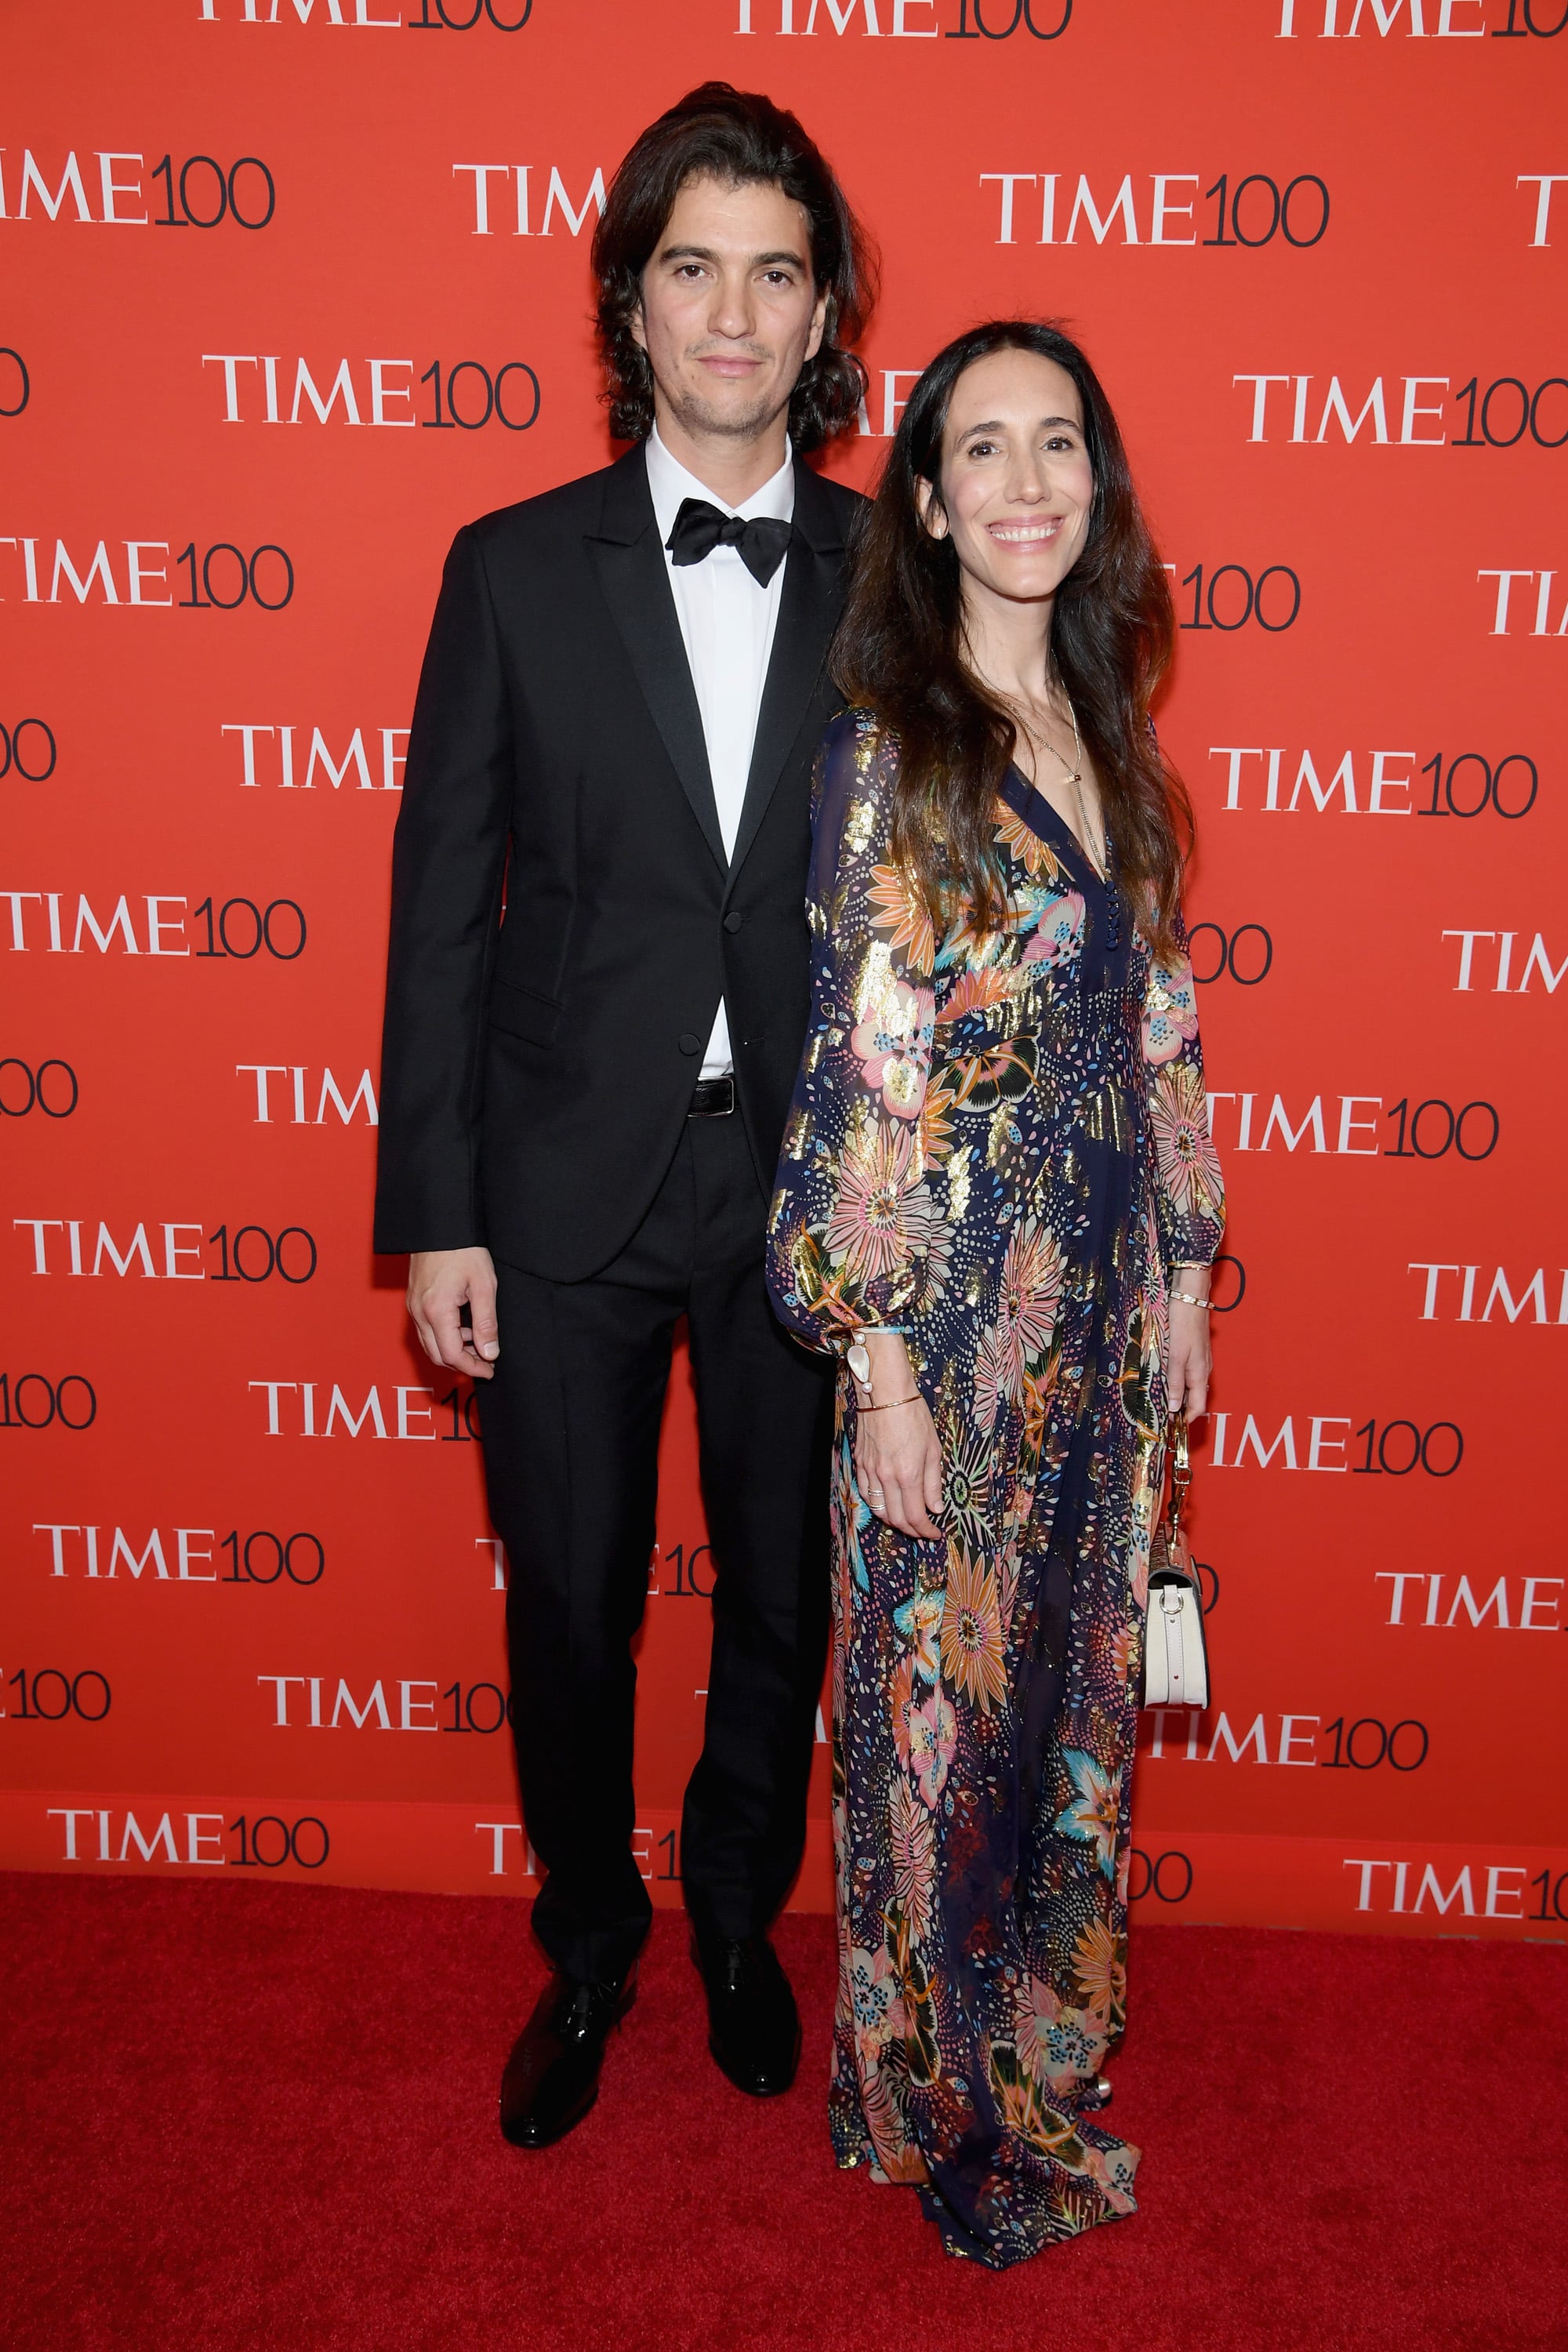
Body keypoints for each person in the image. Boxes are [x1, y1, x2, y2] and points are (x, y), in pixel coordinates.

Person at [373, 84, 873, 2149]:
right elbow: (441, 917)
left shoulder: (894, 568)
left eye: (773, 269)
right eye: (693, 268)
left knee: (782, 1592)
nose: (733, 313)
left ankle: (747, 1919)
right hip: (563, 1183)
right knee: (563, 1600)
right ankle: (592, 1945)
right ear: (632, 307)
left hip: (809, 1184)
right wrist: (438, 1215)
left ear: (823, 308)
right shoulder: (506, 571)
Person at [766, 321, 1225, 2267]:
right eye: (985, 451)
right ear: (931, 500)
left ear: (1090, 490)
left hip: (1100, 1322)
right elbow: (856, 1077)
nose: (1028, 483)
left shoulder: (1106, 727)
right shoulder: (893, 755)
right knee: (931, 1716)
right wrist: (871, 1362)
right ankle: (927, 2085)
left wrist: (1187, 1251)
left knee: (1065, 1708)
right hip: (948, 1335)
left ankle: (1031, 2042)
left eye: (1062, 446)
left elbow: (1159, 1022)